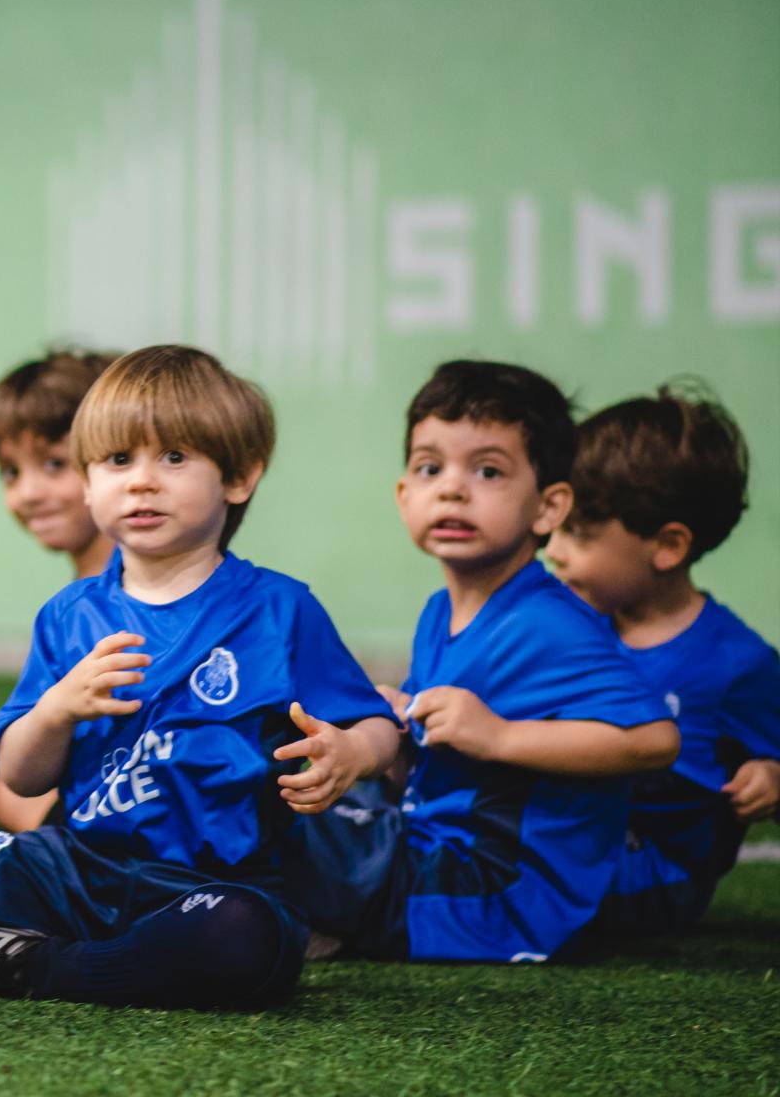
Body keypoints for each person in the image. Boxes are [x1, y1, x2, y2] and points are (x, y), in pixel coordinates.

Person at [0, 346, 398, 1008]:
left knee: (246, 938)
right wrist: (56, 710)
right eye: (118, 461)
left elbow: (377, 725)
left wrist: (352, 753)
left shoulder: (280, 610)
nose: (142, 482)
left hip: (207, 884)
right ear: (90, 485)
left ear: (238, 476)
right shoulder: (70, 616)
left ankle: (38, 967)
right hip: (77, 868)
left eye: (174, 458)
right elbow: (21, 775)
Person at [286, 360, 680, 963]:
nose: (452, 488)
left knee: (253, 789)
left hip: (488, 892)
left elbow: (654, 740)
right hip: (425, 849)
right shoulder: (439, 610)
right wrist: (401, 722)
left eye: (488, 471)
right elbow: (433, 757)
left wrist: (498, 736)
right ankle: (306, 912)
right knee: (293, 774)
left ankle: (282, 917)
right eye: (430, 468)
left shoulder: (548, 622)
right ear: (404, 495)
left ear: (549, 509)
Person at [545, 383, 779, 936]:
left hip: (656, 873)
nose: (553, 548)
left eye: (578, 533)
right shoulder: (573, 623)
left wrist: (771, 774)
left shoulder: (736, 662)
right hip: (577, 836)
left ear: (668, 546)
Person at [0, 349, 117, 832]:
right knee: (2, 781)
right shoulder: (75, 605)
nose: (28, 492)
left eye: (54, 464)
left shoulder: (137, 597)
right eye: (11, 471)